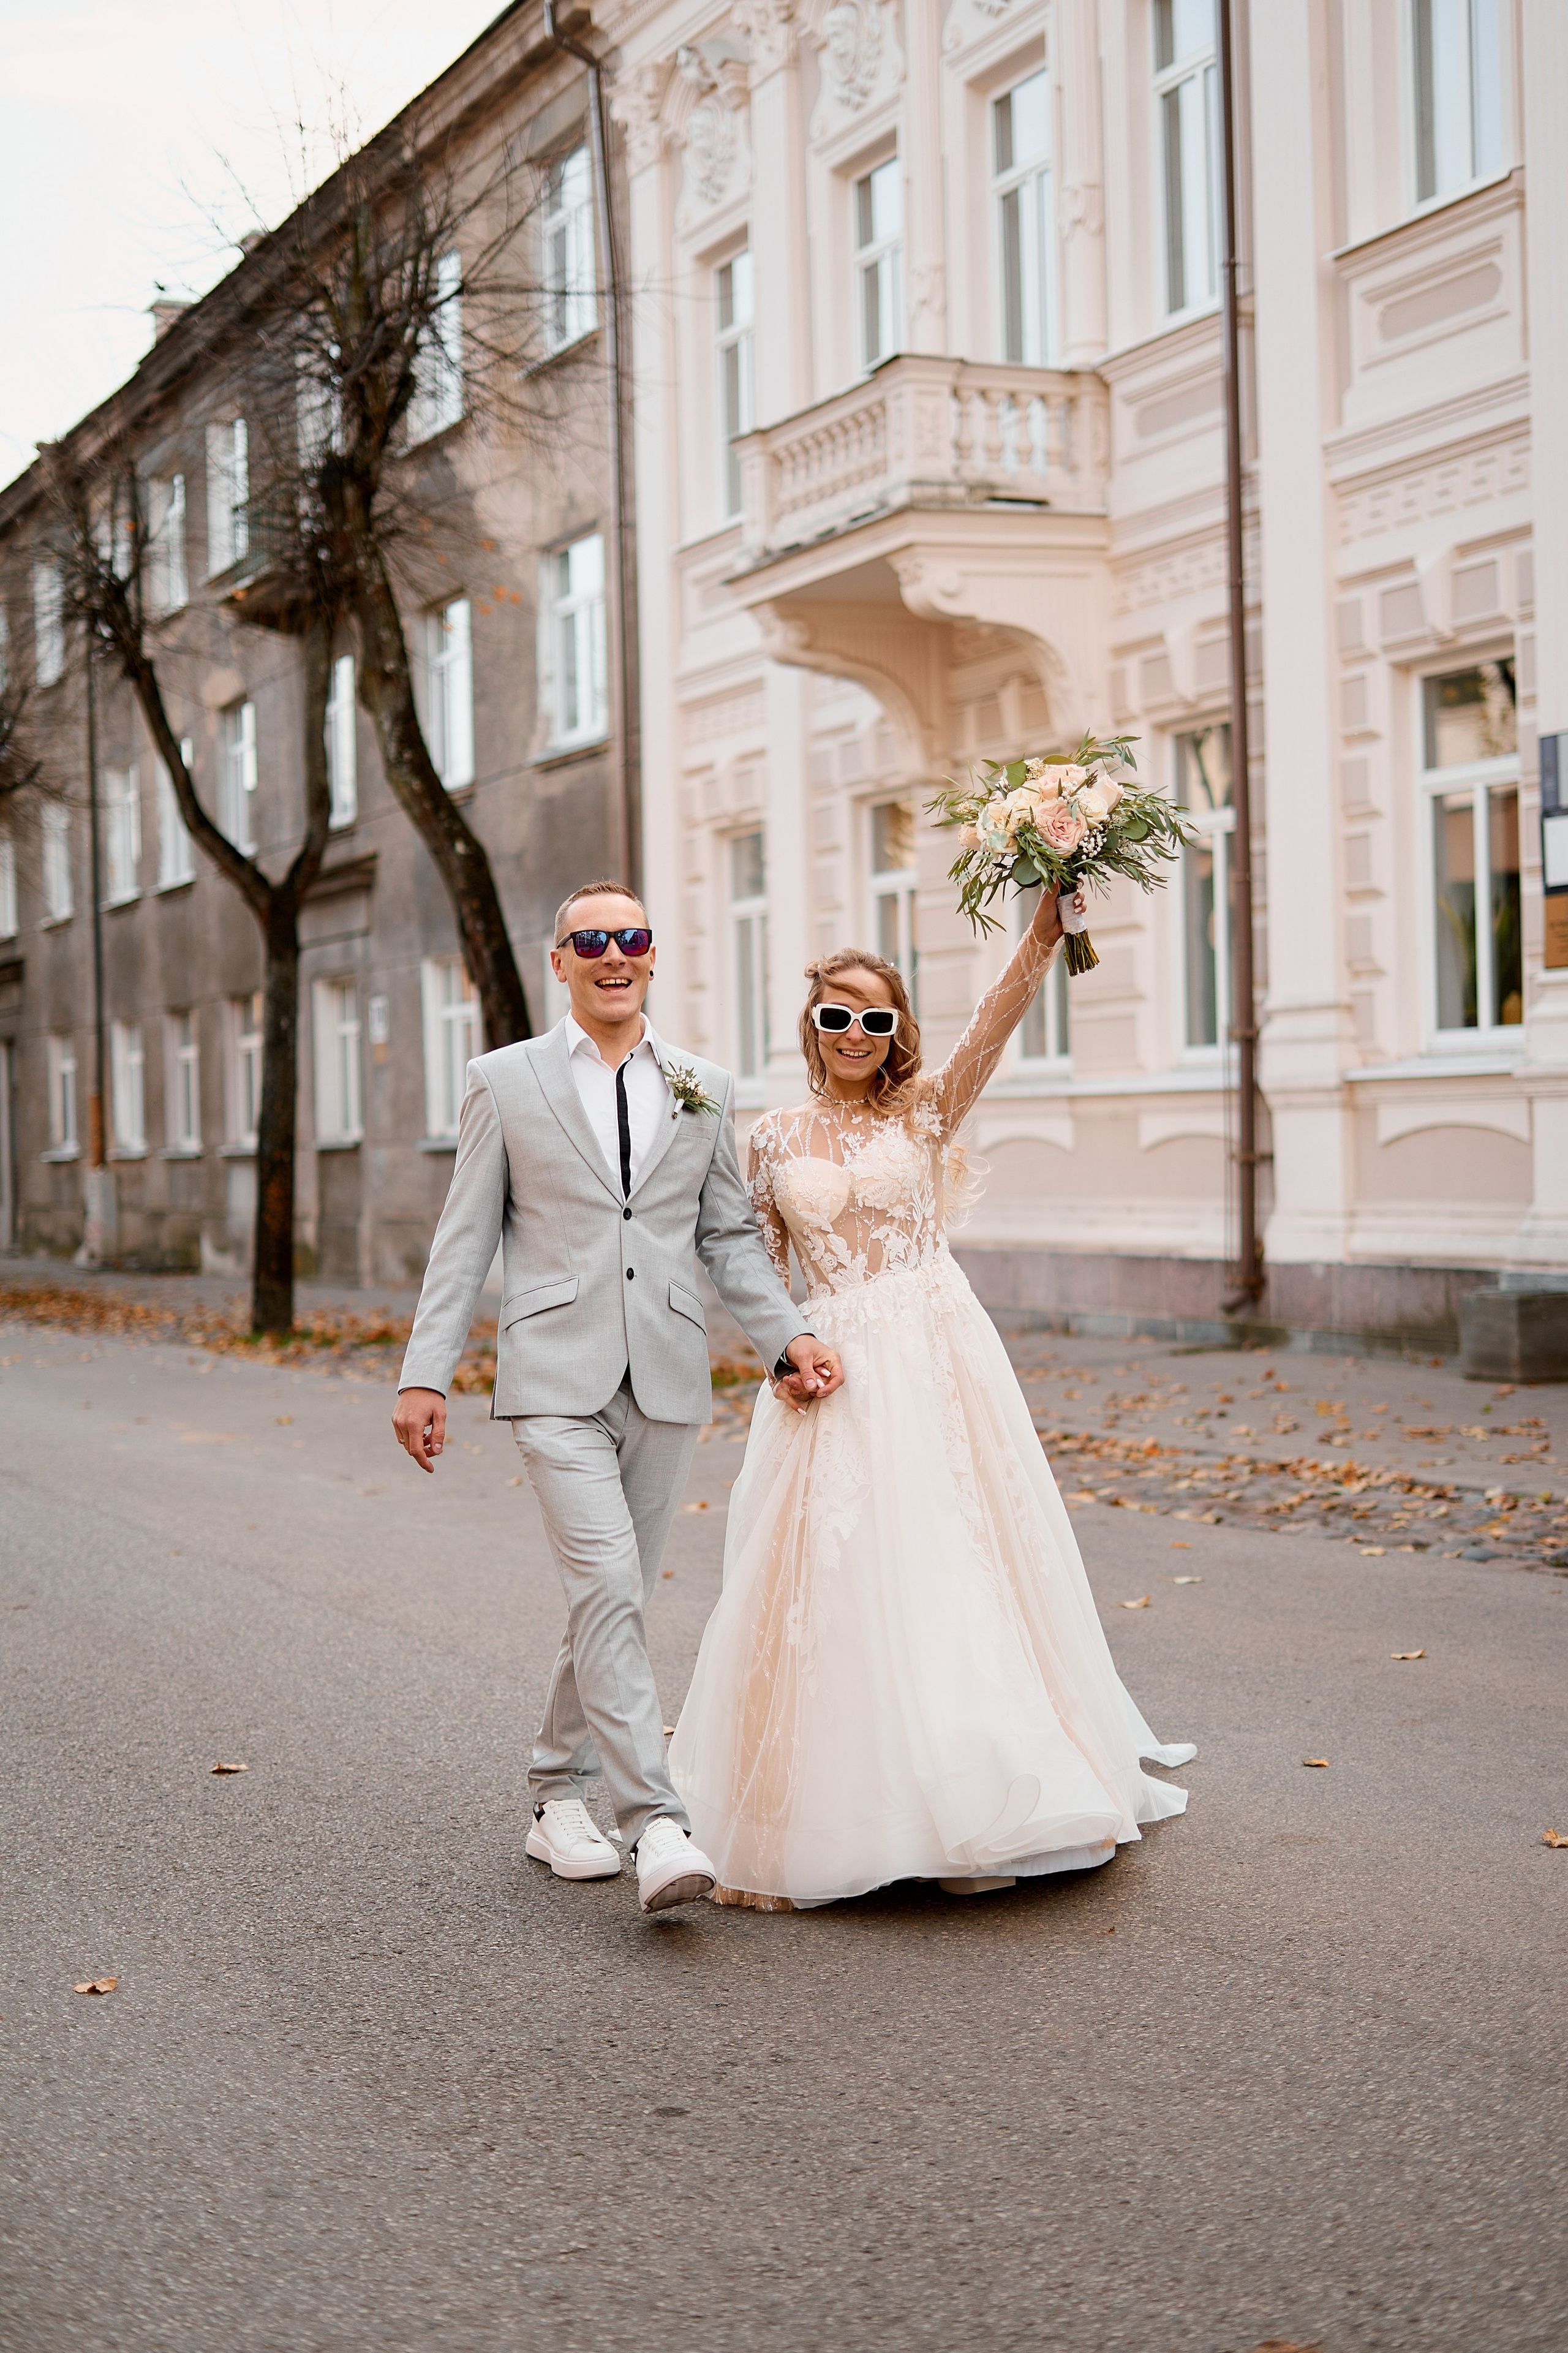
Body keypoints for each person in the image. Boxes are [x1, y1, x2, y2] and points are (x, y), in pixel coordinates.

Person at [668, 889, 1196, 1909]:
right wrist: (785, 1353)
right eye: (837, 1015)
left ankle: (984, 1777)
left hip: (942, 1351)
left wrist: (1044, 930)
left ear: (895, 1031)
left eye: (876, 1017)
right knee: (844, 1565)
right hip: (841, 1363)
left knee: (957, 1553)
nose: (856, 1033)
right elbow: (758, 1269)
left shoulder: (926, 1109)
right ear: (811, 1026)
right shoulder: (770, 1137)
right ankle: (845, 1803)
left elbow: (993, 1024)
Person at [391, 881, 844, 1913]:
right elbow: (465, 1237)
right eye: (588, 939)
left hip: (669, 1371)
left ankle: (556, 1792)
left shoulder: (702, 1084)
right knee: (608, 1584)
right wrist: (426, 1369)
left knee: (616, 1595)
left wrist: (789, 1335)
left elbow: (725, 1235)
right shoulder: (502, 1080)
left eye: (630, 937)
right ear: (559, 961)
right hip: (552, 1373)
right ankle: (658, 1825)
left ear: (650, 958)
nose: (612, 953)